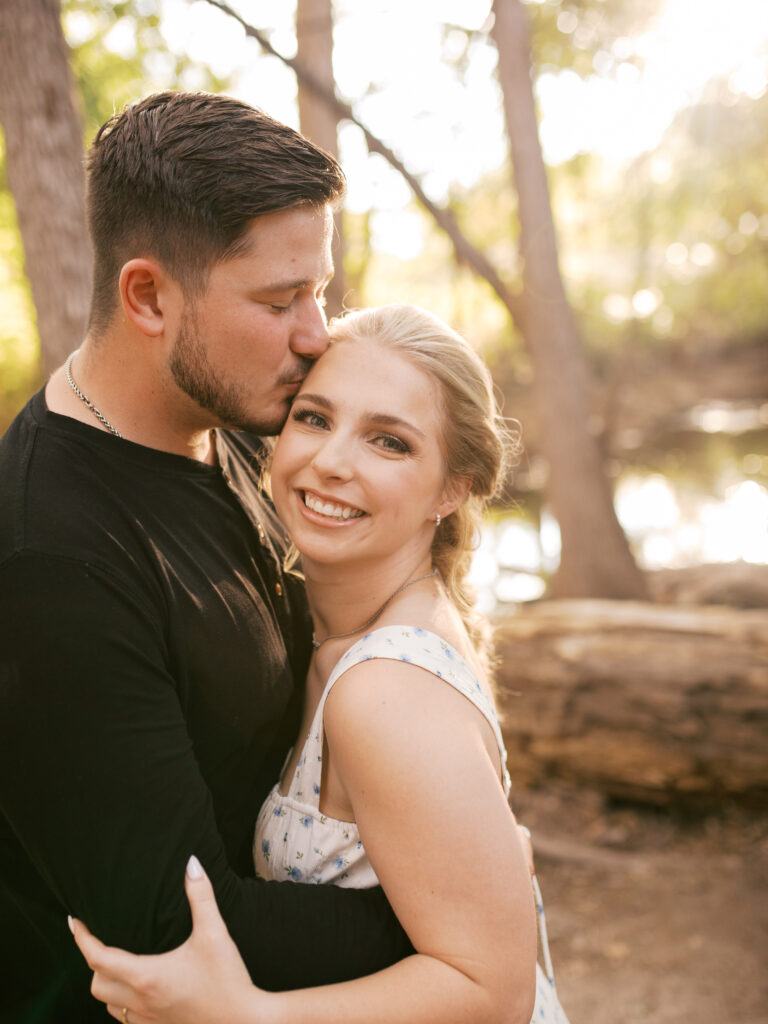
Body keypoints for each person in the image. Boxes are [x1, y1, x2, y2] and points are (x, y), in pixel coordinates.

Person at [0, 93, 415, 1024]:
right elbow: (173, 924)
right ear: (148, 295)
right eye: (279, 301)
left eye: (319, 289)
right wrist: (452, 914)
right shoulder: (51, 560)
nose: (316, 333)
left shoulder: (230, 423)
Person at [71, 304, 559, 1024]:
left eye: (389, 442)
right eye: (314, 418)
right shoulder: (319, 623)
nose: (331, 462)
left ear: (453, 488)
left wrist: (242, 1017)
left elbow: (496, 992)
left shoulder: (385, 689)